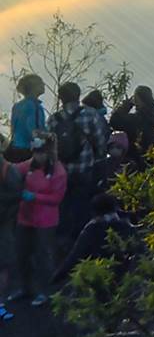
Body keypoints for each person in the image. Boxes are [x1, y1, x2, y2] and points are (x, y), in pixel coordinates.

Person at [8, 131, 66, 306]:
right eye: (35, 152)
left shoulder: (58, 171)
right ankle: (25, 288)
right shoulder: (30, 165)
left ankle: (45, 292)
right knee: (21, 254)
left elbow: (57, 199)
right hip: (25, 218)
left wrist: (34, 197)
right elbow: (13, 170)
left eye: (40, 152)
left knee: (44, 257)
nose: (37, 156)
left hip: (45, 222)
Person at [49, 81, 107, 240]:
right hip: (84, 169)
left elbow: (49, 148)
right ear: (78, 95)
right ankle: (80, 239)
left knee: (63, 206)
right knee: (82, 206)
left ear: (60, 98)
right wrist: (100, 157)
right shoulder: (90, 115)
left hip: (61, 171)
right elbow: (100, 142)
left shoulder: (54, 119)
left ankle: (61, 241)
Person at [51, 190, 137, 287]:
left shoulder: (93, 228)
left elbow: (75, 255)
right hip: (125, 277)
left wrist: (57, 278)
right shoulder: (126, 226)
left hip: (99, 275)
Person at [109, 86, 154, 172]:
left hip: (135, 160)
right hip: (151, 157)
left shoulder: (134, 120)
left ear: (138, 100)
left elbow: (114, 121)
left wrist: (126, 106)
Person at [9, 76, 47, 154]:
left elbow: (13, 130)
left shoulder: (17, 106)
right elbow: (34, 131)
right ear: (34, 87)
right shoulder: (34, 106)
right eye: (41, 82)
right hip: (29, 151)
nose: (44, 84)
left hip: (15, 149)